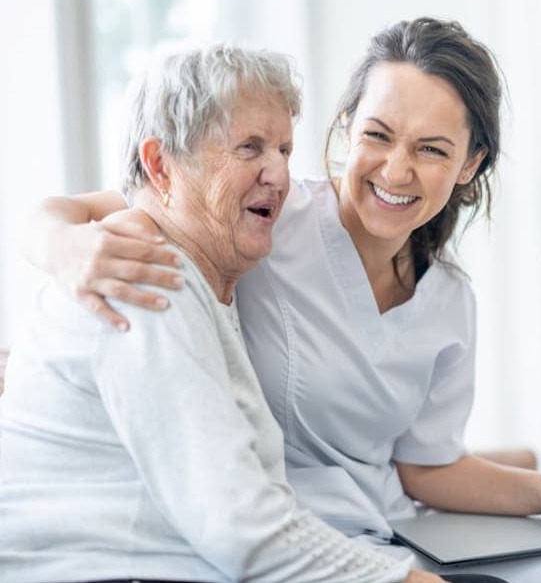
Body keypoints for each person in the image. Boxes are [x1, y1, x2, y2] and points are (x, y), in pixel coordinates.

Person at [23, 19, 541, 583]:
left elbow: (424, 467)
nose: (397, 170)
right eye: (379, 134)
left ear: (470, 162)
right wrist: (64, 247)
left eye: (432, 149)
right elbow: (137, 197)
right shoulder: (263, 214)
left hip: (391, 523)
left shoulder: (448, 298)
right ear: (347, 126)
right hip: (297, 533)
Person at [0, 43, 477, 583]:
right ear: (162, 166)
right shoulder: (144, 270)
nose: (278, 174)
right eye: (250, 147)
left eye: (283, 149)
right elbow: (242, 528)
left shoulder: (210, 278)